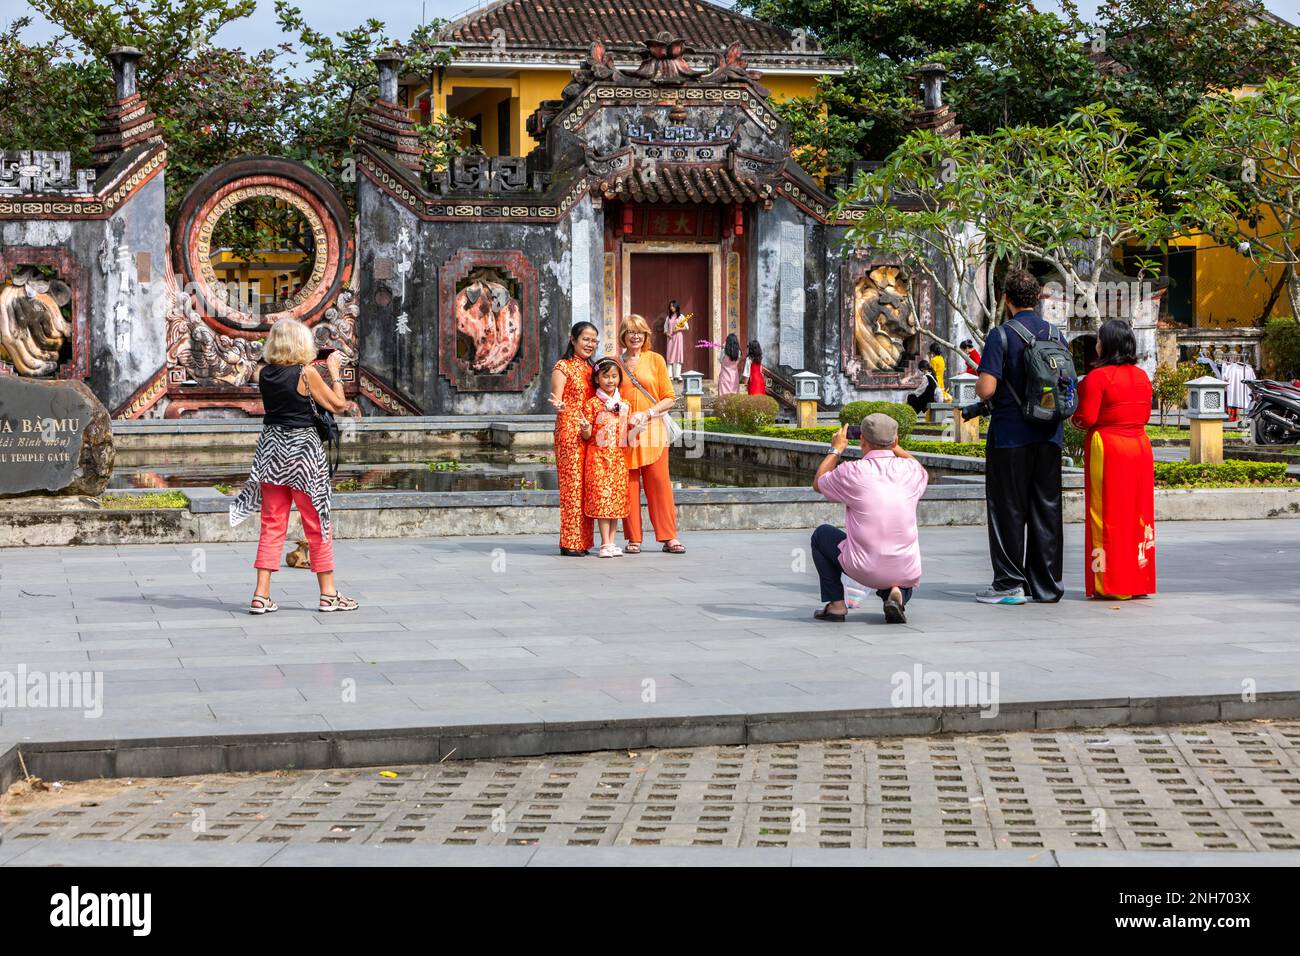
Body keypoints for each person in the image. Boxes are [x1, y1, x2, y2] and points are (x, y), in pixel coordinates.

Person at [230, 317, 357, 614]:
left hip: (271, 452)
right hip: (303, 454)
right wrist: (335, 373)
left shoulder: (265, 373)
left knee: (272, 523)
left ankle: (261, 595)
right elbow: (339, 405)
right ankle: (328, 594)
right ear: (302, 344)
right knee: (317, 522)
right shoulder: (307, 372)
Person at [974, 268, 1064, 605]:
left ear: (1006, 299)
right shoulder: (1056, 334)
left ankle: (1010, 583)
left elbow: (987, 388)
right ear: (1039, 299)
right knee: (1046, 508)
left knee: (1009, 509)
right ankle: (1046, 586)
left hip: (1011, 435)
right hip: (1050, 433)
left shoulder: (1002, 335)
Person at [810, 413, 928, 624]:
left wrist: (836, 449)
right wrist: (893, 446)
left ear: (862, 440)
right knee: (899, 571)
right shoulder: (912, 471)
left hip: (863, 568)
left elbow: (819, 483)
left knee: (821, 535)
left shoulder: (852, 471)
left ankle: (836, 605)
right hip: (905, 570)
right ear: (896, 441)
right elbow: (918, 466)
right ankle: (897, 593)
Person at [1071, 319, 1156, 600]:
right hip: (1141, 448)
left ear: (1106, 344)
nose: (1096, 344)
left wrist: (1074, 419)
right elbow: (1143, 415)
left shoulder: (1097, 377)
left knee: (1106, 515)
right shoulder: (1143, 377)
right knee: (1138, 514)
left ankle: (1110, 581)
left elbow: (1087, 417)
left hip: (1110, 448)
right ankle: (1138, 580)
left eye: (1098, 339)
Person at [617, 314, 686, 554]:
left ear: (646, 335)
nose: (635, 336)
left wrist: (647, 413)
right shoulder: (615, 362)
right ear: (623, 336)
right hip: (626, 432)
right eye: (630, 331)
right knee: (629, 486)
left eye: (640, 332)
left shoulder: (655, 360)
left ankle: (669, 537)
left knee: (660, 485)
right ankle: (633, 538)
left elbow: (669, 397)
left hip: (653, 430)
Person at [550, 321, 598, 556]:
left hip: (589, 431)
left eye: (593, 340)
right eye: (586, 339)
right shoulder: (563, 366)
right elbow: (557, 400)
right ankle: (570, 542)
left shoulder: (592, 369)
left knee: (586, 487)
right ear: (573, 339)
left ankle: (583, 541)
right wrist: (559, 406)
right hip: (569, 432)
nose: (590, 344)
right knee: (571, 487)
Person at [581, 358, 632, 558]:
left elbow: (626, 435)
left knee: (616, 499)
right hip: (598, 458)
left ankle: (612, 542)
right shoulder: (592, 405)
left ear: (619, 378)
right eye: (606, 376)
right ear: (597, 378)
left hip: (618, 458)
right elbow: (586, 436)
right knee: (603, 498)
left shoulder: (624, 405)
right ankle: (605, 543)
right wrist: (585, 429)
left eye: (614, 376)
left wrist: (638, 428)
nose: (610, 381)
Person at [664, 299, 687, 380]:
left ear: (676, 307)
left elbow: (686, 327)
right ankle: (670, 375)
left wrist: (678, 329)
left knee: (677, 354)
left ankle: (677, 375)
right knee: (670, 355)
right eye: (670, 306)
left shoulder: (681, 316)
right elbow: (665, 329)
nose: (671, 308)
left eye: (673, 306)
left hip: (678, 337)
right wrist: (667, 334)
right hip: (670, 338)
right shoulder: (668, 317)